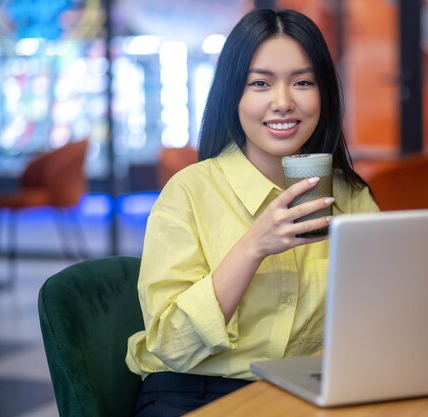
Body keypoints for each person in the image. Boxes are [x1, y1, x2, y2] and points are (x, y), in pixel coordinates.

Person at [127, 8, 379, 416]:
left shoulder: (350, 195)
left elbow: (386, 309)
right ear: (233, 95)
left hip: (306, 389)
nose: (283, 102)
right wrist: (252, 247)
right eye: (259, 83)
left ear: (324, 95)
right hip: (197, 391)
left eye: (302, 82)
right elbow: (171, 345)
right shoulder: (189, 192)